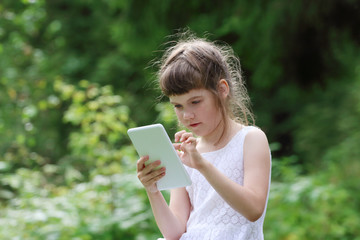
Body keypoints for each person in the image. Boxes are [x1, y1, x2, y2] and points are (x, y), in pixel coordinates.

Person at [136, 32, 271, 240]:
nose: (187, 115)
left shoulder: (251, 139)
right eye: (178, 106)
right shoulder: (186, 153)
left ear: (222, 89)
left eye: (196, 102)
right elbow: (174, 232)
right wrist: (152, 190)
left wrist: (202, 165)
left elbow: (253, 209)